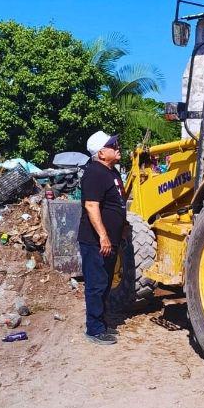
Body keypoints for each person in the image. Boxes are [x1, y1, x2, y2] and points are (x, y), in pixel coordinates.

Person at [77, 130, 127, 345]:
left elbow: (117, 205)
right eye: (112, 145)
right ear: (101, 153)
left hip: (110, 240)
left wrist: (122, 229)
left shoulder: (112, 173)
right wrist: (104, 236)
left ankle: (101, 324)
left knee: (105, 283)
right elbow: (91, 206)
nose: (117, 147)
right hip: (95, 241)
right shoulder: (95, 173)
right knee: (96, 285)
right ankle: (94, 329)